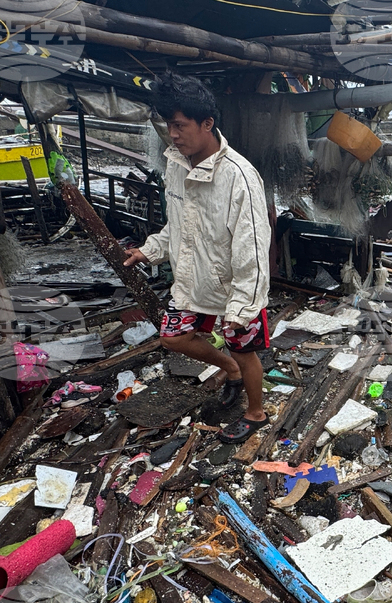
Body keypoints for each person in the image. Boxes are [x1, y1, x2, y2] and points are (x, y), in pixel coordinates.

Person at [124, 73, 271, 444]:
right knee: (173, 338)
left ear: (207, 123)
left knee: (245, 348)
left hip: (233, 284)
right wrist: (150, 250)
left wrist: (243, 305)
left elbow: (253, 247)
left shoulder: (239, 176)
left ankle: (256, 413)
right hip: (192, 277)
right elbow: (178, 224)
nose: (173, 135)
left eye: (180, 125)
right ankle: (229, 369)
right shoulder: (176, 164)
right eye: (168, 126)